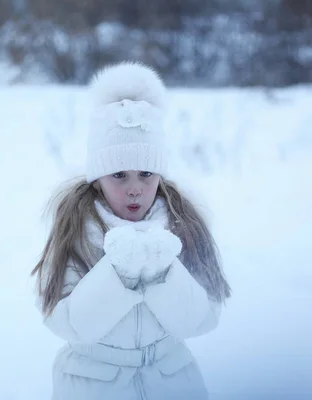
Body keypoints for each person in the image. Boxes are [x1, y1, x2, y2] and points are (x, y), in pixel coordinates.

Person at [31, 61, 231, 400]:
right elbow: (65, 322)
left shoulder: (183, 224)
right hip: (90, 384)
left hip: (172, 380)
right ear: (97, 176)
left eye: (146, 174)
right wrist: (118, 270)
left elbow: (203, 318)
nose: (135, 188)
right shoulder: (77, 229)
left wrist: (163, 269)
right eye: (119, 175)